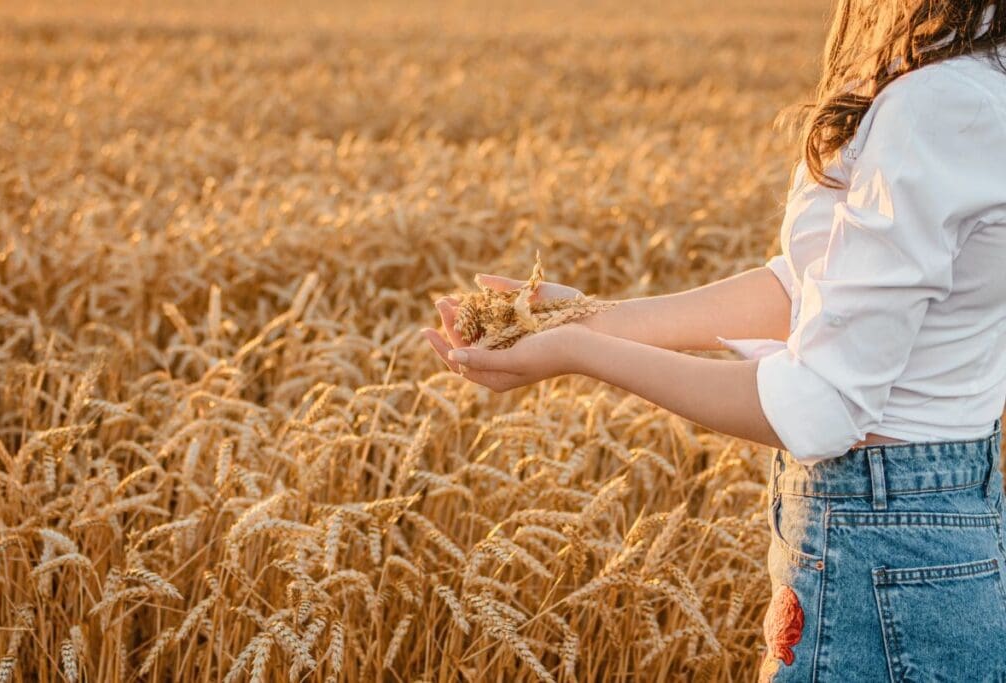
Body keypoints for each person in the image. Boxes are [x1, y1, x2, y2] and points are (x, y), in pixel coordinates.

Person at [421, 1, 1006, 680]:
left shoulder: (939, 101)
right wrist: (587, 318)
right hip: (926, 530)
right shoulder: (963, 69)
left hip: (878, 548)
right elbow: (818, 290)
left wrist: (577, 353)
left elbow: (822, 407)